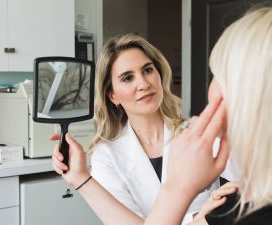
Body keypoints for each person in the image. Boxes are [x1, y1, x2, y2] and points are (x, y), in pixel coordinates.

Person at [53, 6, 272, 225]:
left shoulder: (200, 134)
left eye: (148, 70)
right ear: (112, 96)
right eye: (128, 78)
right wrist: (200, 217)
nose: (144, 84)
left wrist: (221, 208)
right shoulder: (106, 155)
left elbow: (255, 186)